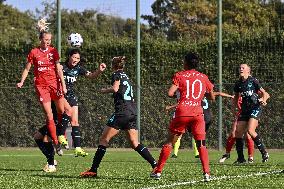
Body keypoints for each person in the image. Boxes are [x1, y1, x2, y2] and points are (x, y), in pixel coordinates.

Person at [80, 56, 157, 177]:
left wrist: (104, 90)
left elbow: (115, 88)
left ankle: (93, 170)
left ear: (113, 66)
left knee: (104, 140)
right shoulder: (126, 76)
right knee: (134, 142)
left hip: (122, 112)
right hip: (132, 111)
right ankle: (155, 165)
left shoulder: (116, 74)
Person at [150, 52, 215, 181]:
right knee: (201, 144)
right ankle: (207, 173)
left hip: (182, 112)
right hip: (197, 113)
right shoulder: (203, 77)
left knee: (170, 141)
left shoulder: (180, 75)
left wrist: (181, 95)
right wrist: (200, 95)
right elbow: (212, 97)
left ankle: (157, 172)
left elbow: (170, 93)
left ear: (185, 63)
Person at [16, 18, 70, 172]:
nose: (47, 42)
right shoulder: (34, 52)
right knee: (49, 115)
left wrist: (64, 86)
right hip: (42, 87)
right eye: (45, 40)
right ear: (40, 39)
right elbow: (27, 69)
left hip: (56, 85)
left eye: (49, 40)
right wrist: (21, 81)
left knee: (62, 111)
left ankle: (60, 138)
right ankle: (57, 143)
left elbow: (59, 70)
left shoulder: (53, 52)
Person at [55, 48, 106, 157]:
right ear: (69, 56)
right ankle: (59, 137)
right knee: (59, 118)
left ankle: (77, 147)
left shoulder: (79, 69)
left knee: (75, 122)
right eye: (74, 57)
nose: (76, 60)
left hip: (71, 96)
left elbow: (91, 76)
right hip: (60, 95)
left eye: (78, 58)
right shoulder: (61, 66)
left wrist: (99, 71)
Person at [170, 92, 234, 159]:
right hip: (208, 118)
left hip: (198, 117)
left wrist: (170, 106)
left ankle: (175, 153)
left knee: (182, 134)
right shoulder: (204, 94)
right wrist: (230, 96)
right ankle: (198, 153)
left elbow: (182, 102)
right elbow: (219, 93)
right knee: (198, 135)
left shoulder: (194, 95)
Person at [233, 64, 269, 164]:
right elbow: (236, 97)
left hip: (255, 107)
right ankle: (241, 158)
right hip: (244, 110)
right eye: (239, 67)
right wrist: (234, 108)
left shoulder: (253, 80)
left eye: (243, 68)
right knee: (238, 133)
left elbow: (265, 93)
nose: (240, 69)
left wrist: (264, 99)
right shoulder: (238, 83)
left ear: (248, 71)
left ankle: (264, 152)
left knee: (250, 131)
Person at [219, 96, 255, 163]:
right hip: (241, 115)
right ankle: (227, 154)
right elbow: (234, 105)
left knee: (248, 135)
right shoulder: (238, 93)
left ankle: (250, 157)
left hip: (251, 115)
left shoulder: (251, 92)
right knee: (233, 134)